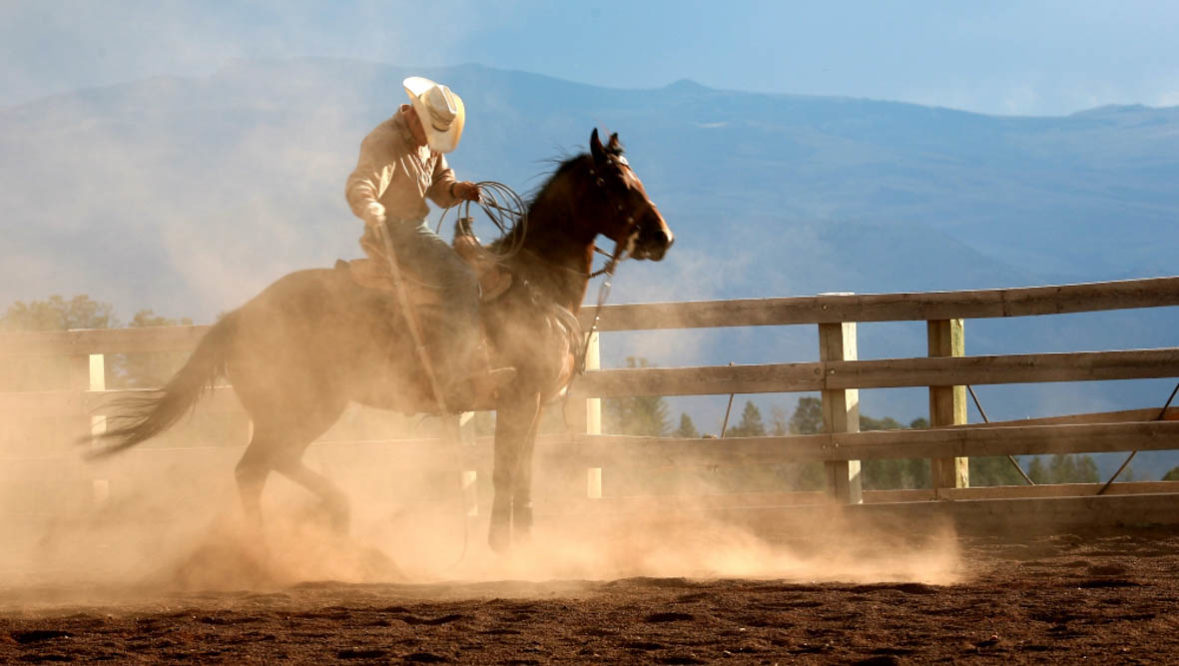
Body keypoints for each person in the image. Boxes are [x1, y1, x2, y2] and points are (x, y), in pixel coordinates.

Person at [345, 76, 514, 408]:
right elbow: (361, 182)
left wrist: (457, 190)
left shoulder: (427, 142)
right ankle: (458, 368)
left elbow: (439, 183)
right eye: (429, 129)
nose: (432, 138)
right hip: (394, 230)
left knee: (475, 267)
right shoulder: (384, 142)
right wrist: (369, 205)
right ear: (415, 115)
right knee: (462, 278)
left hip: (415, 226)